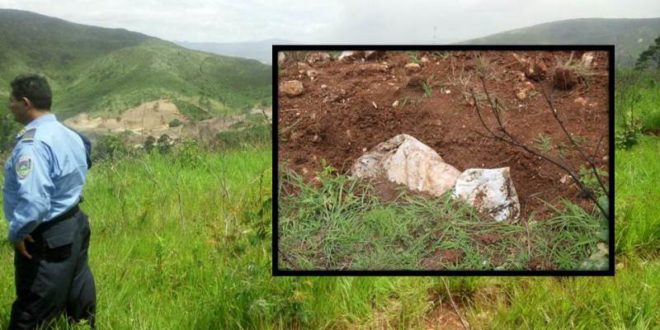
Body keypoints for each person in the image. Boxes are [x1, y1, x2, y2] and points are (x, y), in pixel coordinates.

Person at [3, 74, 96, 329]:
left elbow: (34, 203)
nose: (8, 105)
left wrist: (17, 232)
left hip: (46, 235)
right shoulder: (69, 134)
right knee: (76, 293)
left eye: (11, 101)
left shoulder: (32, 145)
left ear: (25, 103)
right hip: (75, 221)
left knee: (33, 309)